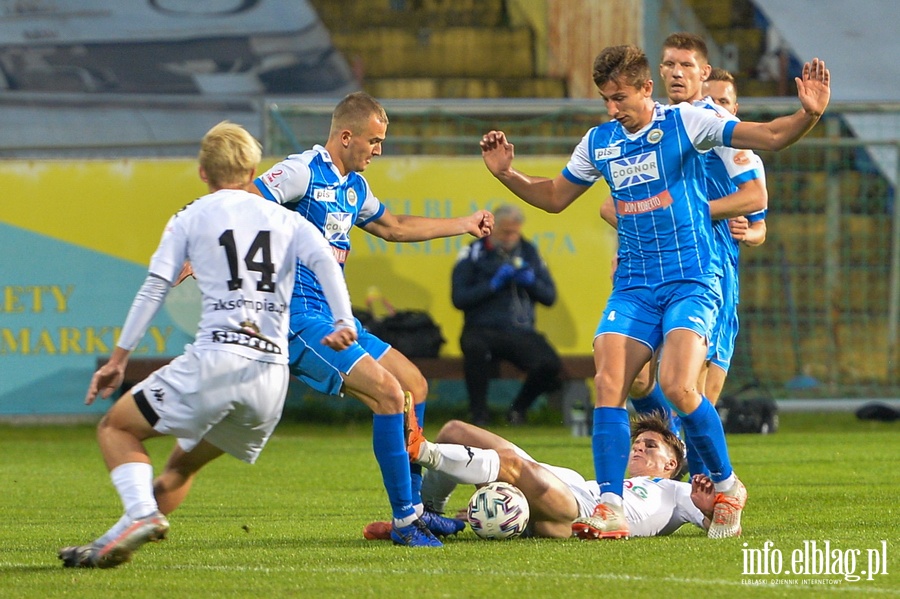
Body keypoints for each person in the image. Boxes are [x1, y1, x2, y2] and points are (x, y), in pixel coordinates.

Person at [480, 44, 830, 540]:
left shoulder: (689, 121)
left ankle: (728, 486)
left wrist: (808, 114)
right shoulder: (599, 141)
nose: (611, 108)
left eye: (619, 97)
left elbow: (771, 135)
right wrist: (507, 175)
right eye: (604, 98)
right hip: (635, 285)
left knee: (680, 386)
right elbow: (556, 196)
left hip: (693, 278)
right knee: (608, 382)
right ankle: (610, 505)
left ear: (646, 89)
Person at [59, 121, 358, 568]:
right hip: (270, 381)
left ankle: (142, 514)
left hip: (218, 358)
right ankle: (112, 540)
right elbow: (326, 262)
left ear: (202, 172)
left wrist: (120, 358)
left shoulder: (191, 216)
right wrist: (343, 319)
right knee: (181, 465)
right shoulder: (286, 218)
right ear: (253, 167)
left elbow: (155, 286)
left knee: (117, 429)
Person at [251, 91, 493, 547]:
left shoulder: (354, 187)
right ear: (347, 136)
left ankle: (417, 510)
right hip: (296, 318)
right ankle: (405, 522)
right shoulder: (302, 171)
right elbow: (245, 200)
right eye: (374, 141)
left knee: (414, 384)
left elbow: (394, 227)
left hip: (336, 318)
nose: (378, 150)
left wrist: (462, 223)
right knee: (388, 393)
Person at [601, 35, 770, 478]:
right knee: (637, 380)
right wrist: (637, 238)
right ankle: (660, 462)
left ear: (704, 74)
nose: (676, 72)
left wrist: (699, 218)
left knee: (690, 388)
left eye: (686, 65)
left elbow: (756, 201)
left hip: (707, 270)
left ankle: (699, 483)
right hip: (650, 269)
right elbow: (612, 204)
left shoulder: (716, 126)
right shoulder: (647, 127)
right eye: (668, 64)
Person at [363, 412, 716, 540]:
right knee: (456, 430)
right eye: (637, 443)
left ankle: (423, 451)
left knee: (513, 466)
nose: (638, 448)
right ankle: (427, 515)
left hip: (576, 510)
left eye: (651, 446)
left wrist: (711, 510)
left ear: (672, 463)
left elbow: (724, 526)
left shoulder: (674, 490)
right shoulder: (608, 484)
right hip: (571, 490)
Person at [451, 203, 562, 426]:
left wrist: (531, 283)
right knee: (475, 348)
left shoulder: (529, 252)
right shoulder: (473, 253)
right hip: (482, 329)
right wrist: (492, 285)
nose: (511, 237)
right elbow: (459, 298)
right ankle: (479, 415)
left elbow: (549, 297)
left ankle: (517, 410)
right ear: (493, 229)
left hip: (519, 330)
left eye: (515, 231)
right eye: (505, 231)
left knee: (550, 365)